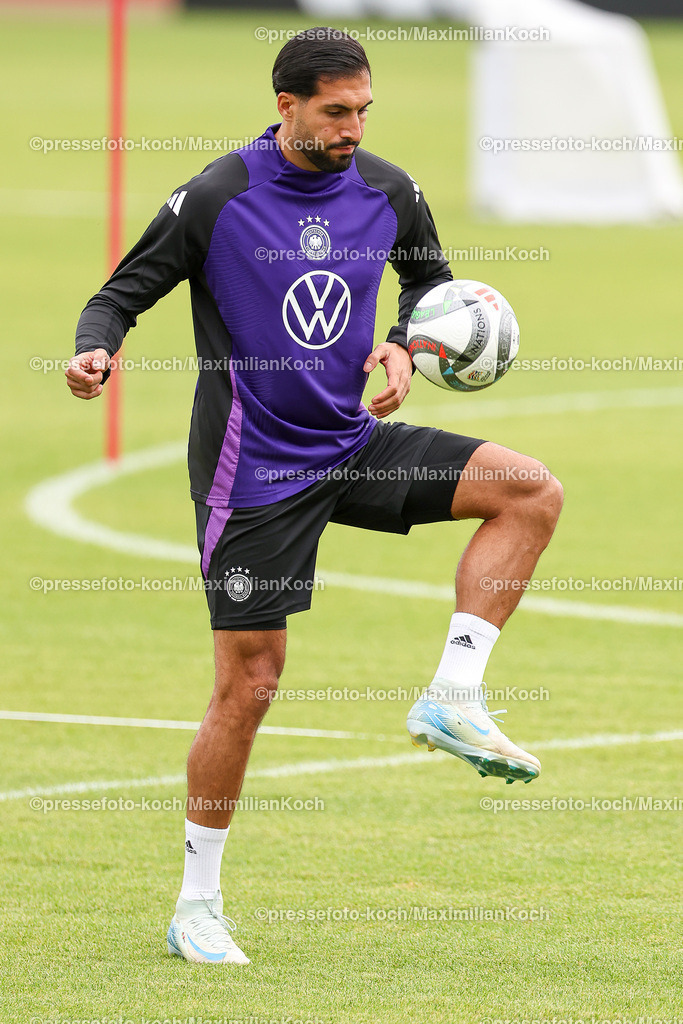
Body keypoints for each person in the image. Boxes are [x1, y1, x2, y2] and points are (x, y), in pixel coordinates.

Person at [66, 27, 563, 966]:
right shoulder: (219, 196)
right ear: (285, 104)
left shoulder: (387, 188)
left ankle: (453, 695)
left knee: (529, 491)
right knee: (248, 686)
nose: (351, 127)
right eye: (335, 111)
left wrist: (406, 350)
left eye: (362, 110)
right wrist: (96, 350)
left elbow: (431, 286)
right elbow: (121, 293)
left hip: (349, 441)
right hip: (252, 471)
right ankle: (196, 904)